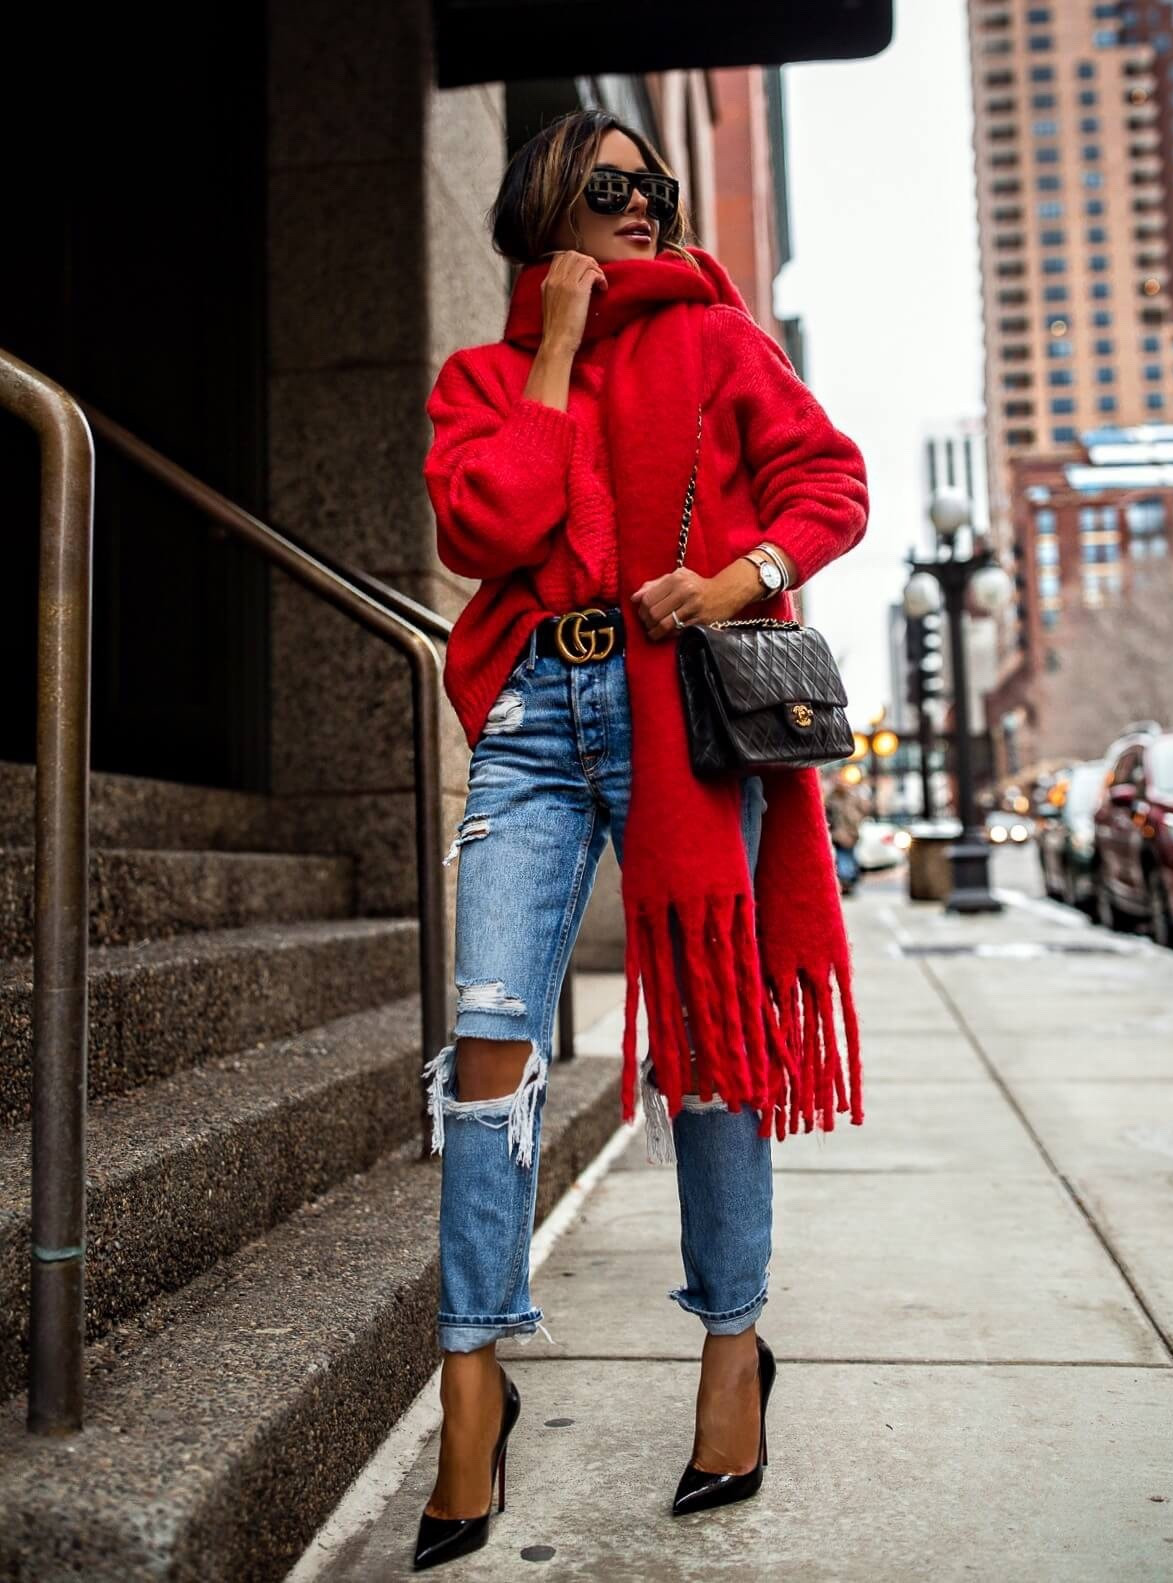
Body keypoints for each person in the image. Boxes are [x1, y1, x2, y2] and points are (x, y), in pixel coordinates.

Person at [415, 107, 869, 1570]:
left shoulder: (721, 339)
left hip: (680, 716)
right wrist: (552, 347)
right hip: (538, 712)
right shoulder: (481, 377)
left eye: (653, 185)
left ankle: (731, 1348)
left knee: (713, 1043)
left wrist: (741, 575)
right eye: (612, 186)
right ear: (547, 206)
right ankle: (472, 1378)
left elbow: (829, 485)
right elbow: (489, 526)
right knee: (490, 1041)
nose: (644, 204)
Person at [824, 770, 867, 894]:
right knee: (843, 859)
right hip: (839, 835)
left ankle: (850, 881)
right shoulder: (831, 799)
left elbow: (863, 811)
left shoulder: (853, 797)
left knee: (851, 858)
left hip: (851, 834)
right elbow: (829, 816)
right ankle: (846, 881)